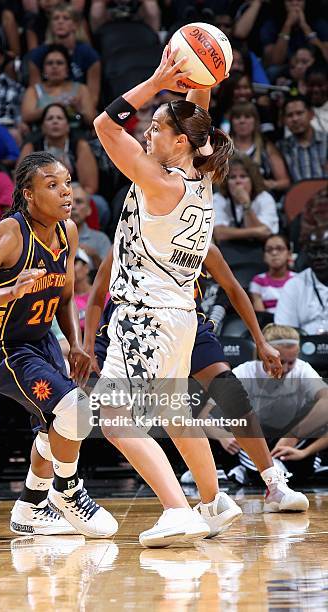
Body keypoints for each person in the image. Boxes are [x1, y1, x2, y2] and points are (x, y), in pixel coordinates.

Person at [91, 47, 244, 548]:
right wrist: (202, 80)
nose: (147, 133)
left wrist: (157, 80)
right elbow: (196, 116)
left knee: (114, 418)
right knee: (176, 413)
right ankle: (213, 502)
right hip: (179, 315)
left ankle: (177, 512)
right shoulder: (202, 174)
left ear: (179, 142)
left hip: (145, 315)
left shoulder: (159, 183)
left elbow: (105, 126)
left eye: (156, 128)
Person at [0, 151, 118, 538]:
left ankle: (29, 506)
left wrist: (76, 343)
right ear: (28, 194)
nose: (66, 194)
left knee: (54, 424)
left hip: (36, 339)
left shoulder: (67, 231)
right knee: (76, 411)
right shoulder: (8, 235)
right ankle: (68, 491)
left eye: (67, 184)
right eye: (53, 186)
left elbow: (64, 294)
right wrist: (10, 289)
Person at [83, 246, 308, 513]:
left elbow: (234, 289)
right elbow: (98, 291)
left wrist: (260, 341)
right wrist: (87, 345)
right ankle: (64, 484)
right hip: (129, 325)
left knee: (228, 391)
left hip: (186, 319)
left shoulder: (199, 241)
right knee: (116, 412)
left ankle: (273, 485)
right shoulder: (130, 235)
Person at [207, 324, 328, 487]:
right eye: (278, 361)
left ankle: (284, 468)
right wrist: (221, 435)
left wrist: (294, 436)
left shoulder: (302, 369)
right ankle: (236, 469)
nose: (283, 369)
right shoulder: (245, 372)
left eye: (290, 362)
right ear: (263, 354)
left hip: (289, 436)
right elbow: (201, 412)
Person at [28, 4, 101, 107]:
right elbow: (34, 95)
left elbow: (93, 98)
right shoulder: (37, 55)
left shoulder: (89, 55)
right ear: (51, 25)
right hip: (46, 110)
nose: (60, 22)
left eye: (66, 18)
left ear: (75, 25)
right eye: (56, 18)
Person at [19, 104, 99, 196]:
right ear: (43, 127)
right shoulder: (31, 147)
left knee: (99, 203)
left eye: (59, 118)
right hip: (40, 196)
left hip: (73, 195)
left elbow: (90, 187)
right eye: (50, 118)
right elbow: (21, 183)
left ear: (68, 126)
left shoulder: (80, 146)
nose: (55, 121)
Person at [213, 153, 279, 262]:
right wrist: (257, 231)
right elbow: (219, 233)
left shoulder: (264, 198)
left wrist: (246, 205)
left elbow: (264, 236)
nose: (238, 181)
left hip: (260, 254)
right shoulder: (219, 199)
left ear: (252, 180)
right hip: (228, 254)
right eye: (233, 177)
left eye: (243, 176)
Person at [21, 45, 96, 129]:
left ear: (67, 69)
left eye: (59, 63)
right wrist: (54, 106)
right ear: (43, 70)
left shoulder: (81, 89)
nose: (54, 67)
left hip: (76, 135)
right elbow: (26, 116)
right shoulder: (34, 90)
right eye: (50, 63)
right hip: (41, 136)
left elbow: (92, 120)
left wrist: (79, 109)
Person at [274, 226, 328, 334]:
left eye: (324, 250)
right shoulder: (293, 285)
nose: (318, 256)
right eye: (313, 251)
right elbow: (284, 332)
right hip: (305, 347)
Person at [230, 102, 290, 195]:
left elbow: (285, 182)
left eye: (247, 117)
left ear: (256, 121)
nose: (242, 121)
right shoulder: (222, 147)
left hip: (262, 199)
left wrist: (270, 184)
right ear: (231, 122)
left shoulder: (267, 147)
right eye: (237, 117)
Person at [278, 96, 328, 181]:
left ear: (311, 114)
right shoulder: (280, 148)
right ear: (284, 120)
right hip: (296, 194)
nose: (295, 119)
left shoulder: (326, 141)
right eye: (289, 115)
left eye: (299, 113)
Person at [250, 234, 296, 314]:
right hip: (268, 324)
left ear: (289, 254)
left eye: (279, 249)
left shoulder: (297, 279)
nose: (274, 253)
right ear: (264, 256)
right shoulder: (258, 281)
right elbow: (260, 314)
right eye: (269, 250)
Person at [70, 182, 111, 269]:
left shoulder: (101, 240)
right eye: (68, 202)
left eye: (79, 202)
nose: (72, 206)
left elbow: (110, 276)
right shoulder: (50, 237)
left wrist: (95, 256)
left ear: (89, 210)